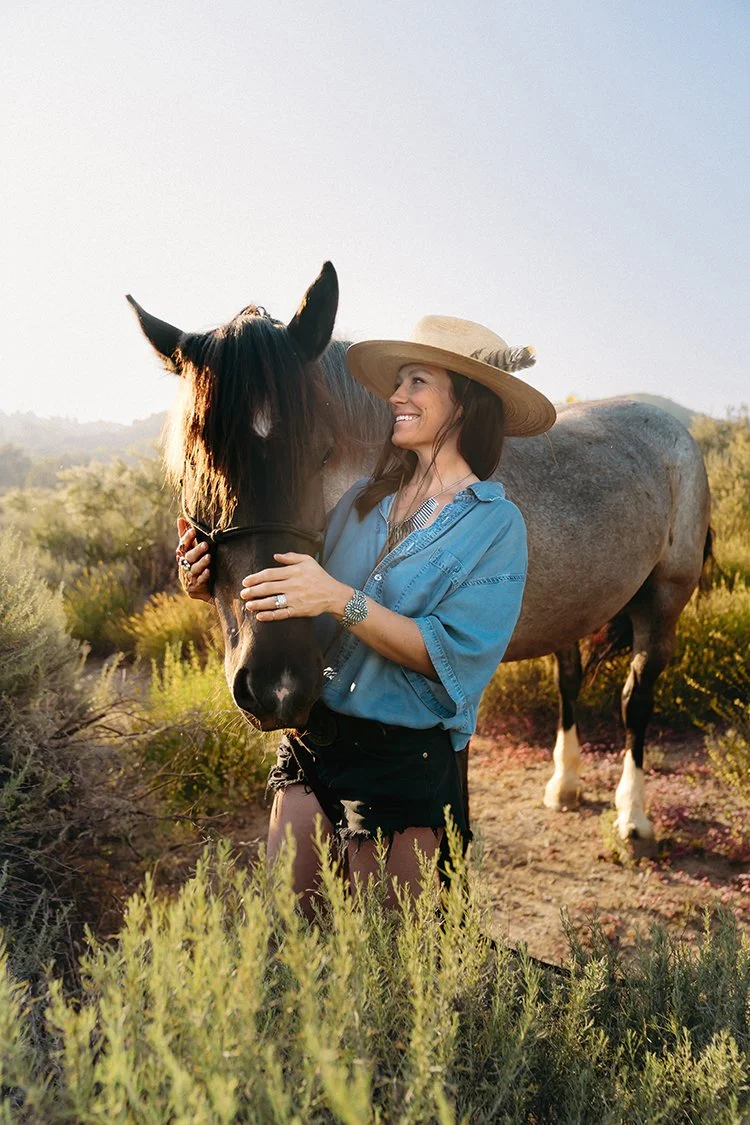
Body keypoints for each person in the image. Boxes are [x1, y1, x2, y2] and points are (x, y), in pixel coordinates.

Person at [176, 316, 556, 907]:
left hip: (404, 763)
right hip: (314, 745)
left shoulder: (494, 525)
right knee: (288, 939)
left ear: (465, 402)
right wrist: (210, 584)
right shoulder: (359, 501)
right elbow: (300, 598)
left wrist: (340, 599)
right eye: (397, 383)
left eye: (417, 382)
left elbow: (451, 657)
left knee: (389, 972)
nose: (396, 397)